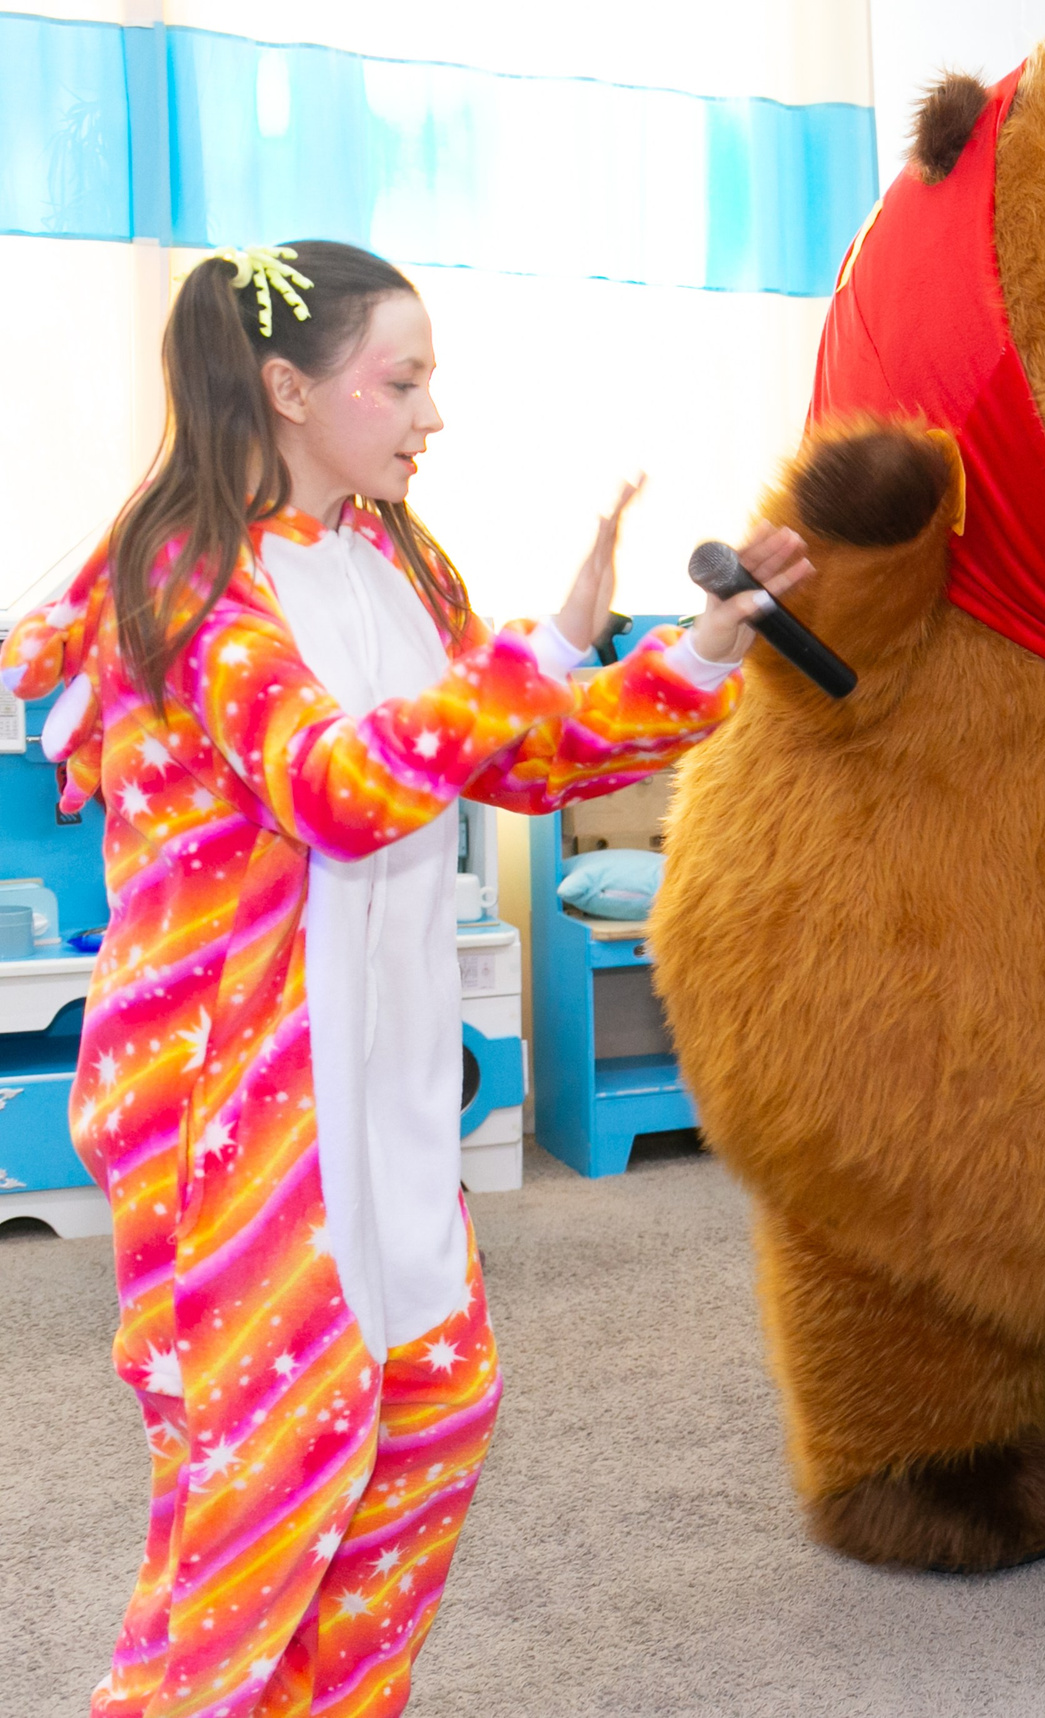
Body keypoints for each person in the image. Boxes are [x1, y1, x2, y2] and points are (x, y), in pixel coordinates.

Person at [1, 240, 808, 1718]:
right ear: (289, 387)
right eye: (405, 379)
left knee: (434, 1407)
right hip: (231, 1102)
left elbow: (514, 750)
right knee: (265, 1476)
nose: (433, 414)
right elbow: (335, 786)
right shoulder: (189, 574)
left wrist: (690, 651)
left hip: (377, 1072)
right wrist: (532, 655)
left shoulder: (392, 553)